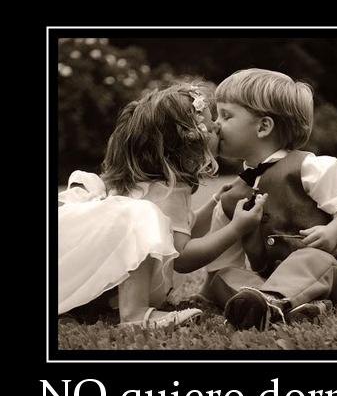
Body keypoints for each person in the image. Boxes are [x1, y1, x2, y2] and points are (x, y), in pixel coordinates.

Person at [58, 82, 267, 329]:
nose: (217, 127)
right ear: (187, 142)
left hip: (83, 281)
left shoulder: (150, 184)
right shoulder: (167, 190)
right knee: (142, 217)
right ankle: (135, 314)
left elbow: (178, 234)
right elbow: (183, 258)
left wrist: (214, 203)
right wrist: (236, 229)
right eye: (210, 125)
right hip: (103, 283)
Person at [197, 68, 337, 331]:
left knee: (312, 258)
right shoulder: (231, 198)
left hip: (331, 273)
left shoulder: (310, 167)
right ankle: (284, 306)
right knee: (221, 276)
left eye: (226, 115)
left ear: (263, 126)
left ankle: (275, 300)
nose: (216, 125)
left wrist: (333, 232)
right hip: (268, 280)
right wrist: (209, 291)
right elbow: (225, 262)